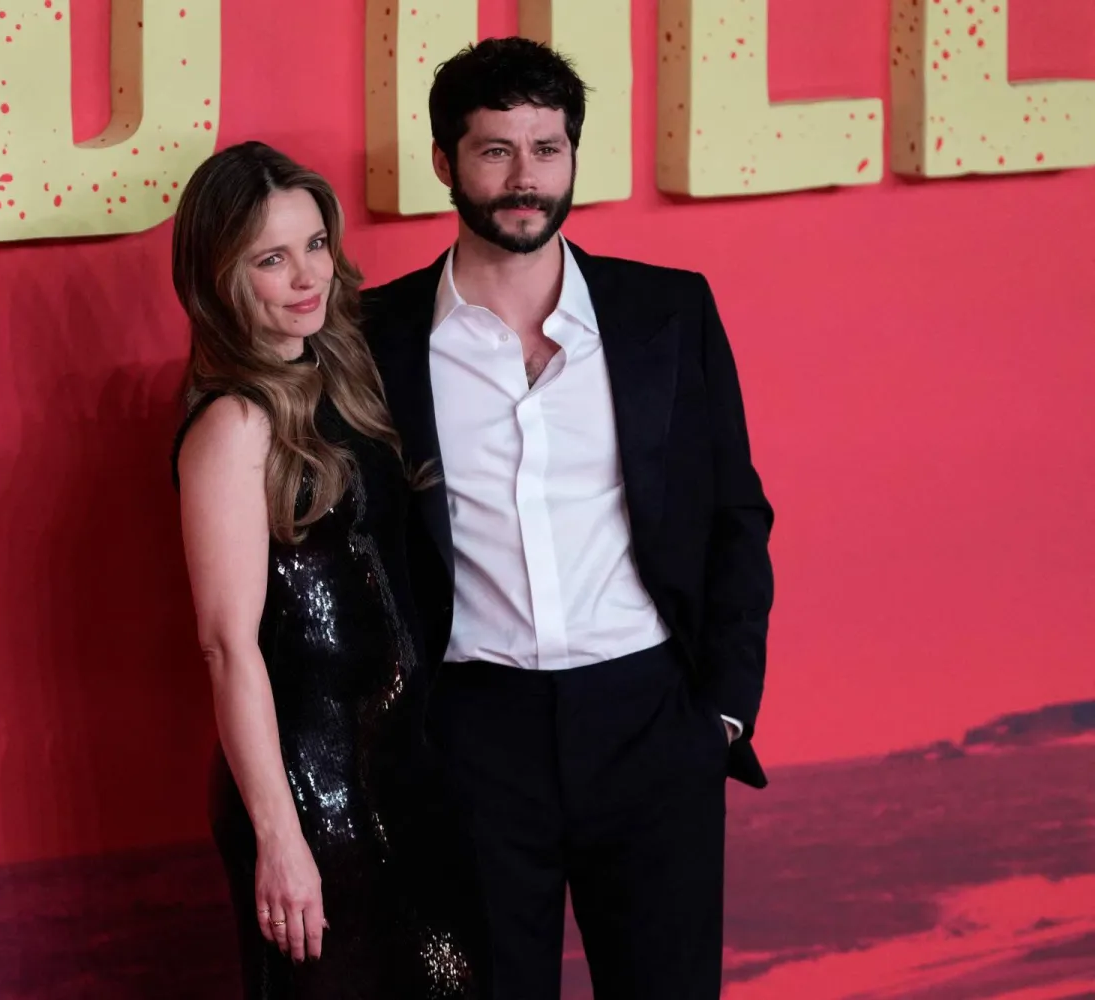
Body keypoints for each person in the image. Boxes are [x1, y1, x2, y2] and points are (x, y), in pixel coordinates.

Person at [362, 38, 776, 1000]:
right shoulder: (375, 339)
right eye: (495, 149)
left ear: (574, 155)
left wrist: (718, 712)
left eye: (546, 148)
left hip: (650, 722)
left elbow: (735, 516)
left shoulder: (666, 312)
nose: (524, 178)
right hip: (474, 737)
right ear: (444, 162)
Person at [170, 141, 486, 998]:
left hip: (404, 773)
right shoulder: (234, 425)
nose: (308, 274)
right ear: (221, 277)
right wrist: (280, 837)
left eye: (315, 244)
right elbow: (227, 648)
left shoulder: (340, 378)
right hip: (313, 794)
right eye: (271, 258)